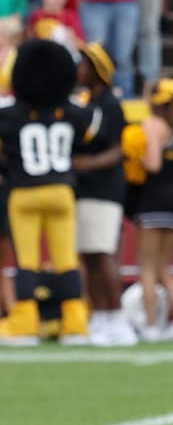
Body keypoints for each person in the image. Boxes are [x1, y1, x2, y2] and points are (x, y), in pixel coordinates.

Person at [0, 40, 102, 345]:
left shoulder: (9, 114)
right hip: (60, 189)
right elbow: (91, 131)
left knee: (27, 261)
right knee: (66, 259)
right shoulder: (73, 112)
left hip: (23, 191)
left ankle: (25, 321)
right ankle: (75, 320)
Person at [74, 43, 134, 347]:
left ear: (97, 70)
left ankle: (117, 317)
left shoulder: (109, 105)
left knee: (103, 253)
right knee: (89, 255)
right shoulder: (89, 104)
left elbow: (118, 148)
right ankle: (100, 315)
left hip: (103, 187)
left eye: (84, 64)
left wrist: (88, 163)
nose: (79, 70)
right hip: (85, 189)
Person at [134, 79, 173, 342]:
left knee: (147, 267)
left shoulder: (152, 125)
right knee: (164, 268)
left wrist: (133, 156)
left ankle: (151, 325)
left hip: (154, 199)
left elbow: (153, 165)